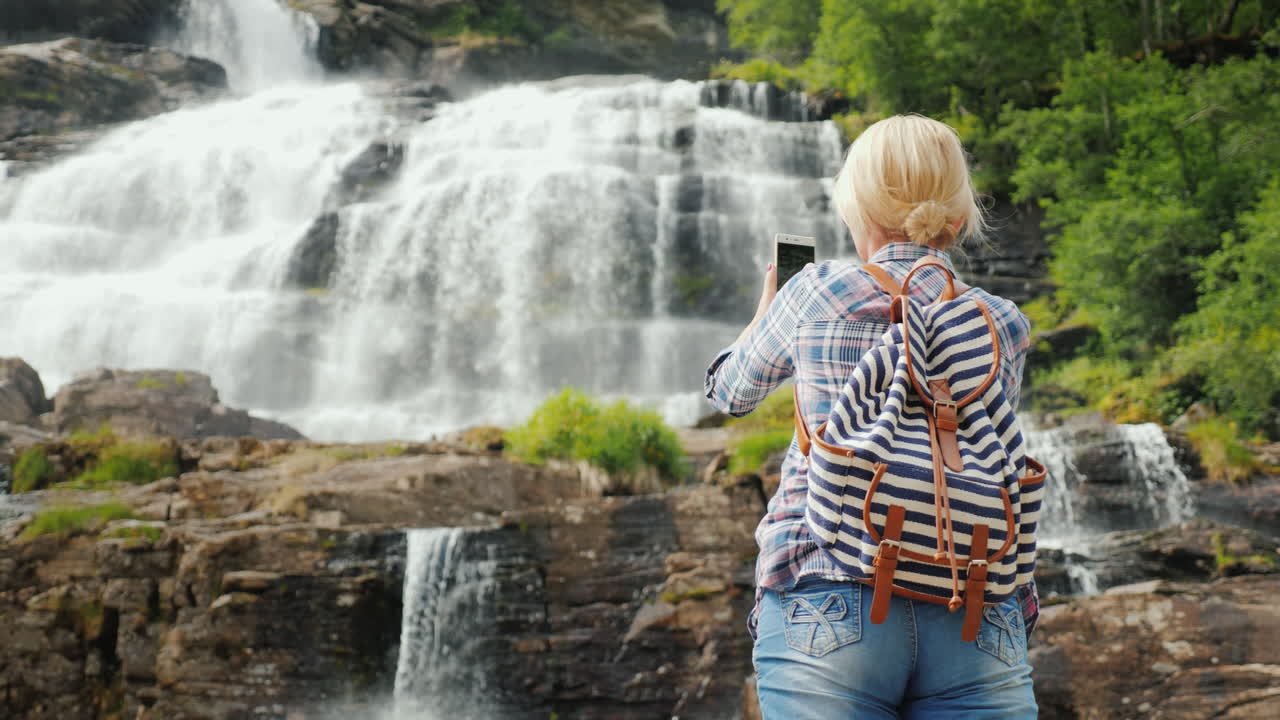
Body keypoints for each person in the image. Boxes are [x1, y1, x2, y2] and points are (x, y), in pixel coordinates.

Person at [703, 115, 1037, 719]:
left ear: (856, 210)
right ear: (959, 217)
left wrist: (765, 314)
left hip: (830, 587)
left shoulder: (814, 292)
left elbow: (731, 392)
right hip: (975, 596)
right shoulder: (1002, 322)